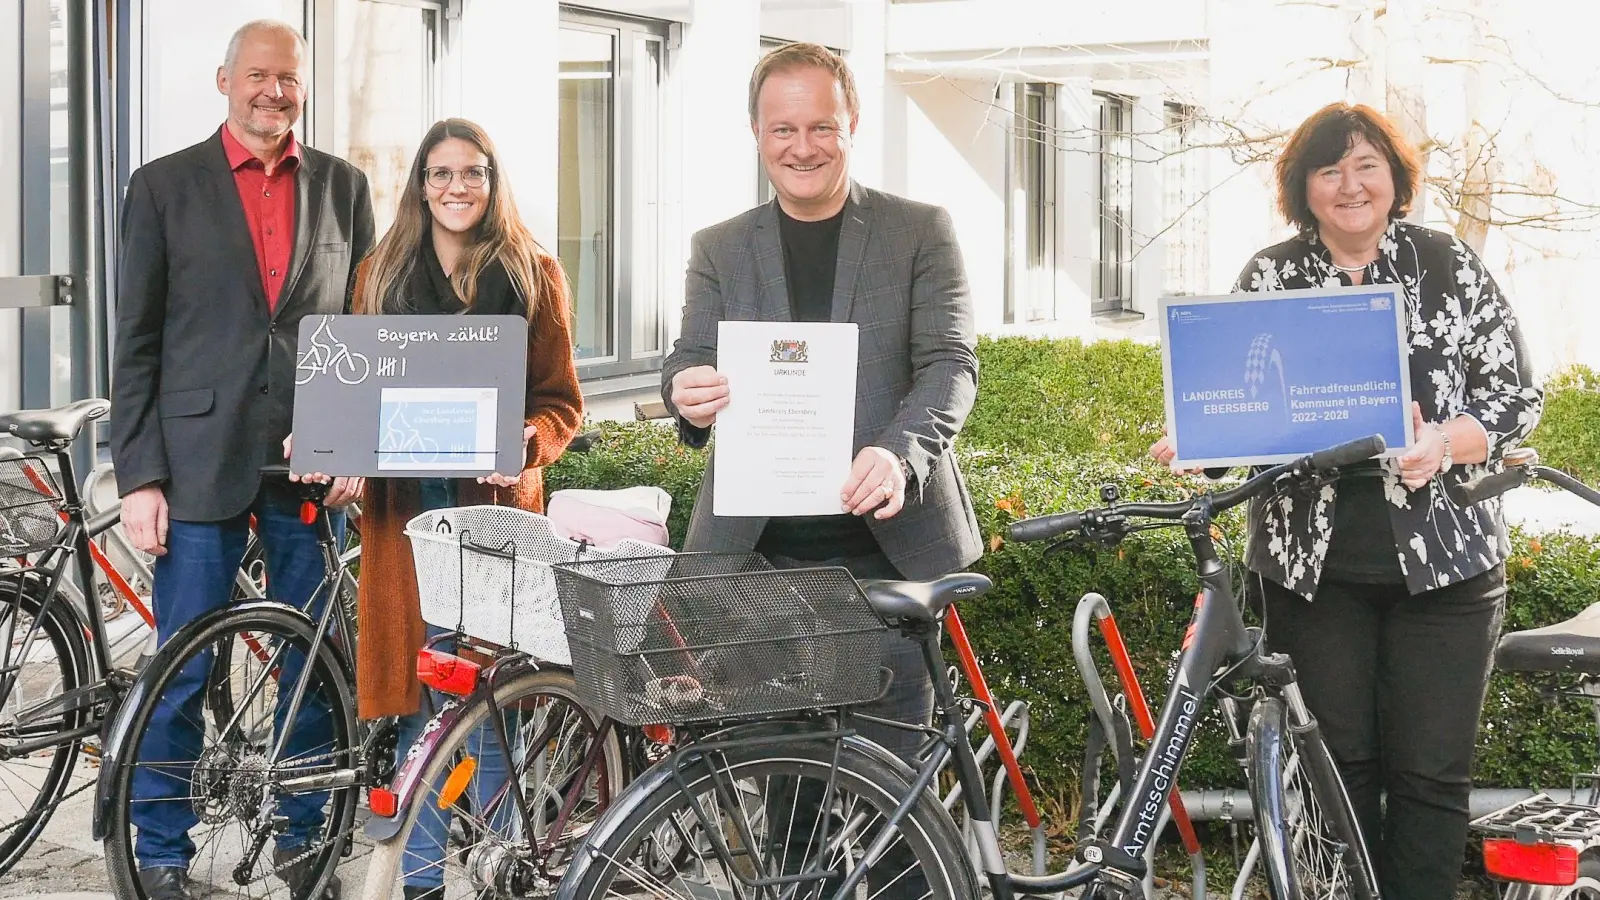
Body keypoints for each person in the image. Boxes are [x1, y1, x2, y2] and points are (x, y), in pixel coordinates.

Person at [1152, 102, 1543, 900]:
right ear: (1305, 188)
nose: (1350, 183)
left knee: (1433, 776)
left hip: (1447, 565)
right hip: (1310, 570)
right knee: (1337, 775)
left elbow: (1515, 398)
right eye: (1329, 168)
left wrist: (1445, 441)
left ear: (1396, 180)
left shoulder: (1448, 265)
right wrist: (1201, 445)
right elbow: (1243, 403)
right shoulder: (1269, 275)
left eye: (1367, 164)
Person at [662, 41, 982, 898]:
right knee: (785, 800)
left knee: (893, 799)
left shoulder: (921, 230)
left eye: (821, 127)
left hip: (887, 556)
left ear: (852, 126)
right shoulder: (720, 247)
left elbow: (950, 365)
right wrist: (684, 393)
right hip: (762, 566)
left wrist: (898, 452)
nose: (802, 147)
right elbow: (687, 360)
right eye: (782, 129)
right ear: (757, 134)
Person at [109, 19, 374, 900]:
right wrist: (139, 472)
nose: (274, 90)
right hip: (193, 461)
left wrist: (352, 444)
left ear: (303, 86)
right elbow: (135, 342)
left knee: (312, 666)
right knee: (182, 666)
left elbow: (361, 335)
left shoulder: (344, 188)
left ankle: (306, 841)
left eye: (288, 77)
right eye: (258, 75)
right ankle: (159, 853)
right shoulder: (161, 187)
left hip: (307, 462)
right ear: (226, 80)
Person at [343, 118, 582, 900]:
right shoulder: (378, 274)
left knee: (496, 708)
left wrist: (529, 437)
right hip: (406, 520)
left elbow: (560, 404)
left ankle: (496, 877)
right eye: (441, 174)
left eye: (471, 173)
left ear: (492, 179)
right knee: (422, 708)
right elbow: (353, 394)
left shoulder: (533, 272)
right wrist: (339, 453)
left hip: (491, 518)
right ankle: (418, 884)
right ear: (420, 183)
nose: (456, 188)